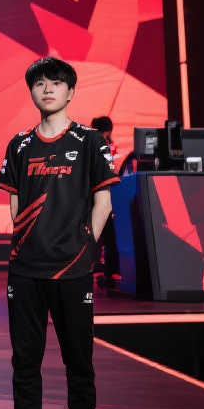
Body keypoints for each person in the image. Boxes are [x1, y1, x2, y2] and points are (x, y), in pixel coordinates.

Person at [0, 57, 118, 409]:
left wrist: (85, 247)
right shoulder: (19, 144)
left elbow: (103, 202)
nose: (47, 89)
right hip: (26, 269)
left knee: (78, 357)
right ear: (31, 92)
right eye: (40, 83)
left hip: (73, 269)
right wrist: (28, 240)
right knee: (25, 357)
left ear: (70, 92)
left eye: (56, 83)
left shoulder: (89, 141)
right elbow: (15, 202)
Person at [90, 116, 120, 287]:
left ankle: (107, 271)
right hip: (100, 197)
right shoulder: (99, 146)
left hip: (102, 197)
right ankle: (106, 271)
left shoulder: (105, 147)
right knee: (104, 236)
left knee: (104, 236)